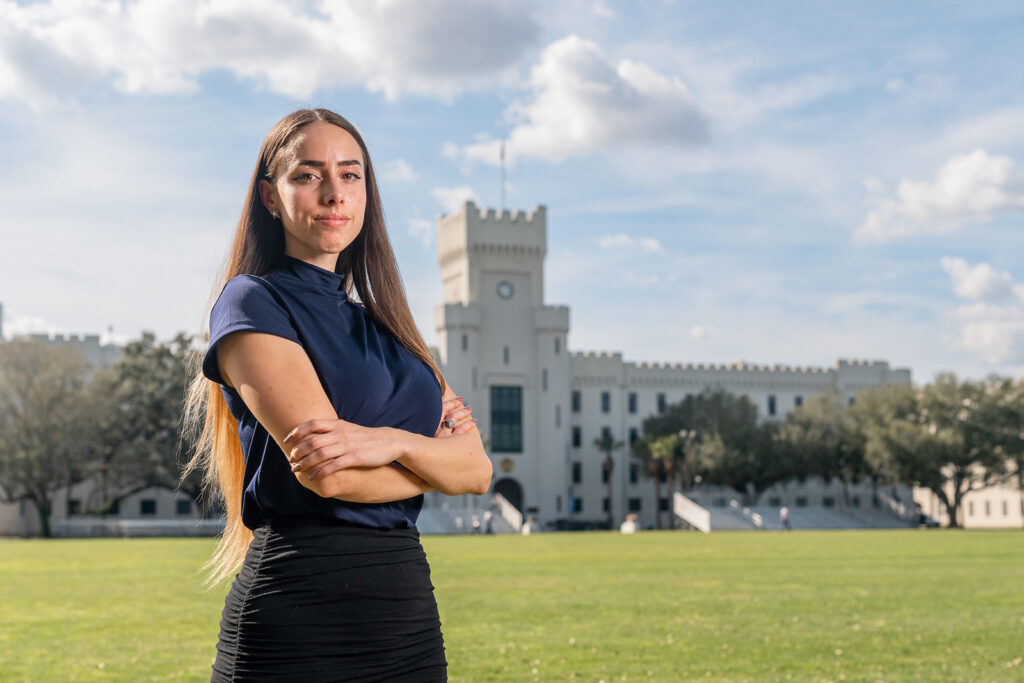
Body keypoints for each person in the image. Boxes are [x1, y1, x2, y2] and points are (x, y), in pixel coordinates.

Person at [183, 108, 492, 682]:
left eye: (350, 175)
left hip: (407, 619)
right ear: (270, 197)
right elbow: (331, 476)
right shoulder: (251, 302)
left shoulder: (395, 329)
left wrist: (386, 442)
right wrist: (433, 463)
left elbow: (476, 470)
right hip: (300, 619)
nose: (333, 194)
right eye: (307, 175)